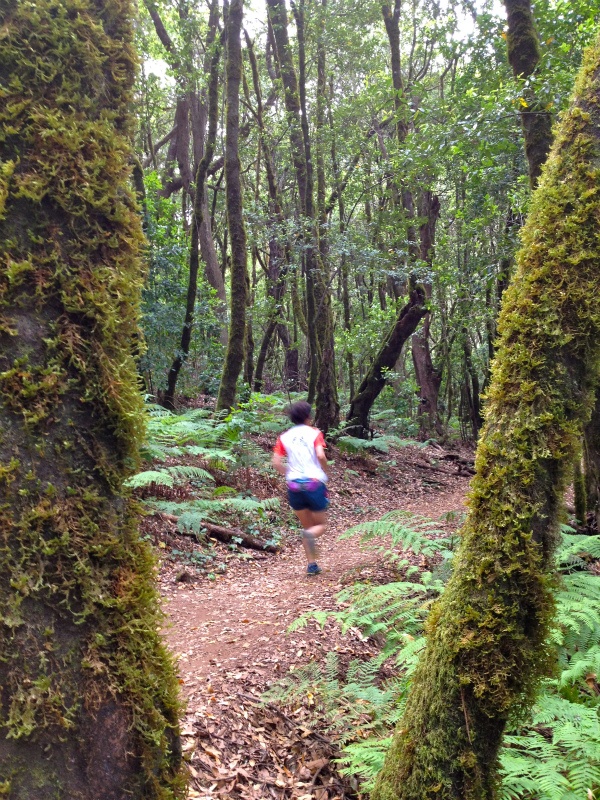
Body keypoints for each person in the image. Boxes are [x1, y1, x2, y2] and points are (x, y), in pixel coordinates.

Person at [272, 401, 329, 575]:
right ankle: (312, 551)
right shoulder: (315, 433)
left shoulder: (284, 437)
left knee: (307, 526)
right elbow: (320, 454)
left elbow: (275, 462)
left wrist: (289, 473)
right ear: (308, 417)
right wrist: (324, 470)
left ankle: (312, 564)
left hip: (294, 484)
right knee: (320, 525)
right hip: (313, 483)